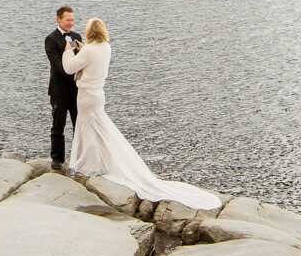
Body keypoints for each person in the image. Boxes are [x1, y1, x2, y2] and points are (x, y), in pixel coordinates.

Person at [60, 18, 221, 210]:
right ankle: (97, 162)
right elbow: (93, 58)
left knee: (88, 128)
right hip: (99, 94)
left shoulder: (89, 50)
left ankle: (93, 165)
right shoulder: (105, 47)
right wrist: (84, 49)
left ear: (89, 32)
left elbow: (69, 67)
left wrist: (68, 52)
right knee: (98, 128)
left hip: (86, 96)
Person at [44, 5, 83, 169]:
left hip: (75, 89)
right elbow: (58, 66)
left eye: (72, 20)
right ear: (58, 19)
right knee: (58, 124)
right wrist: (69, 56)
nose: (71, 23)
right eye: (68, 20)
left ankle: (79, 158)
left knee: (79, 124)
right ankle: (57, 159)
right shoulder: (51, 39)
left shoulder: (76, 36)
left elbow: (83, 61)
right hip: (59, 89)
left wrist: (82, 51)